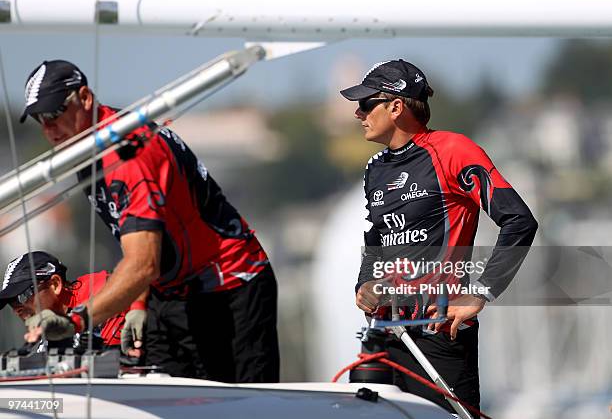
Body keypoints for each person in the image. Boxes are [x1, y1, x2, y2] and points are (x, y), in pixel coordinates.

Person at [19, 60, 279, 382]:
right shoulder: (88, 145)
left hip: (229, 288)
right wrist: (138, 304)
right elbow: (138, 238)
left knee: (240, 408)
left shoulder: (127, 156)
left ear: (84, 98)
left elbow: (144, 264)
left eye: (55, 113)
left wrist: (76, 322)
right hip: (171, 294)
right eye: (39, 120)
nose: (49, 128)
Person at [340, 59, 538, 413]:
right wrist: (364, 283)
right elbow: (376, 238)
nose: (358, 113)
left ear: (396, 106)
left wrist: (480, 292)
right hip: (386, 333)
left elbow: (519, 221)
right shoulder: (375, 168)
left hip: (438, 331)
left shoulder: (453, 150)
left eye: (366, 103)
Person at [0, 251, 131, 353]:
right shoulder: (48, 335)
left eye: (22, 296)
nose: (17, 310)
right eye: (12, 303)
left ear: (55, 284)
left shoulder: (103, 292)